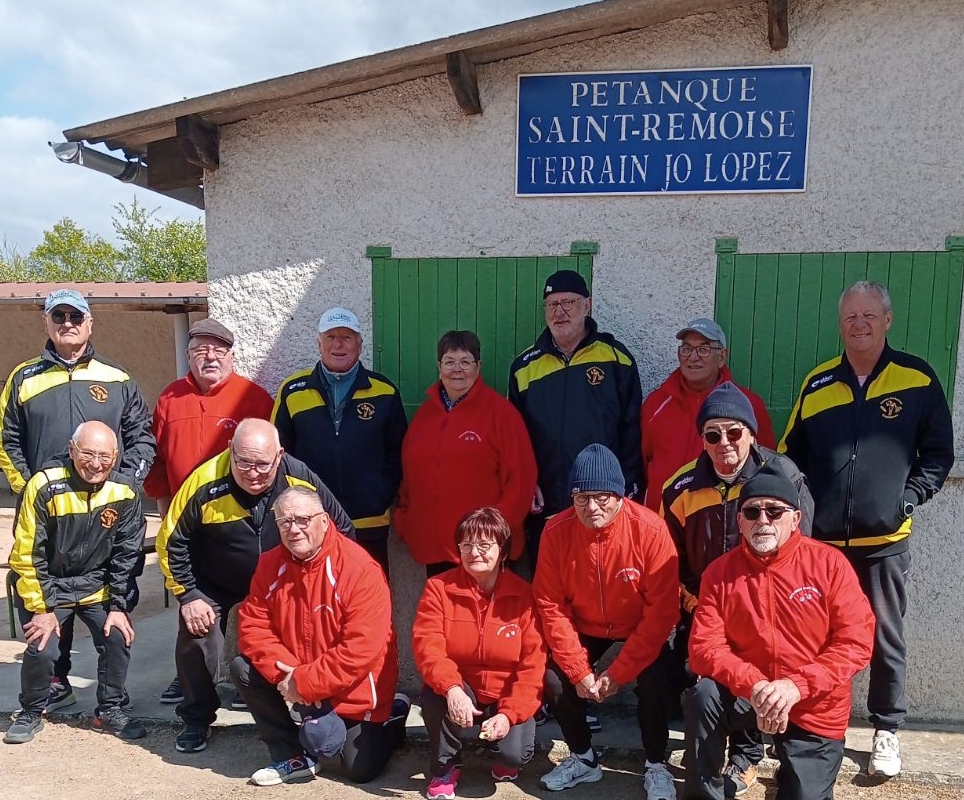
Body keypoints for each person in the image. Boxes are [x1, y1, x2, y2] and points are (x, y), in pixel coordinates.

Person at [780, 280, 953, 777]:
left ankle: (886, 731)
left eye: (869, 316)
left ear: (887, 320)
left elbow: (940, 454)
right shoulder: (816, 385)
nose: (859, 324)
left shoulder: (917, 379)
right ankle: (803, 722)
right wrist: (798, 513)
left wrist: (910, 497)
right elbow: (791, 456)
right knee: (812, 636)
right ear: (840, 324)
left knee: (884, 637)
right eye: (850, 317)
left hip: (885, 542)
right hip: (823, 544)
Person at [155, 418, 355, 754]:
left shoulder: (299, 477)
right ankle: (196, 718)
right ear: (230, 450)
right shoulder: (204, 481)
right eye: (243, 461)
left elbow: (342, 530)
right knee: (196, 635)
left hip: (281, 579)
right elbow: (169, 542)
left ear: (279, 456)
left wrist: (319, 581)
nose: (252, 472)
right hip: (214, 580)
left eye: (263, 464)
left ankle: (294, 709)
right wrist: (188, 594)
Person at [0, 287, 155, 712]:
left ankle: (110, 698)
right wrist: (32, 486)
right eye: (59, 316)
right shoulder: (24, 378)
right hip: (47, 510)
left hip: (102, 508)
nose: (67, 323)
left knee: (104, 588)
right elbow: (6, 439)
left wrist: (126, 482)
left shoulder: (117, 377)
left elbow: (142, 436)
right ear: (46, 323)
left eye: (76, 316)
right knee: (46, 590)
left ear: (90, 323)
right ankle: (55, 679)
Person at [684, 466, 875, 800]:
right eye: (752, 512)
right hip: (749, 693)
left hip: (812, 702)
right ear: (739, 521)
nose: (763, 520)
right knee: (704, 697)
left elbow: (855, 642)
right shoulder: (719, 573)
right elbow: (704, 647)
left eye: (774, 511)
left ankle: (790, 772)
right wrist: (755, 685)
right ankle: (704, 794)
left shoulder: (830, 565)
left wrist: (794, 686)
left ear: (795, 517)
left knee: (803, 794)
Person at [660, 382, 813, 797]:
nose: (724, 443)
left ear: (751, 433)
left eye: (733, 432)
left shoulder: (784, 476)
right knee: (704, 686)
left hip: (773, 615)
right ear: (703, 439)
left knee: (770, 681)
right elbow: (668, 559)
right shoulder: (679, 488)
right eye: (712, 434)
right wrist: (695, 601)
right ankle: (712, 771)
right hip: (706, 610)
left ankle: (754, 758)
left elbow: (804, 554)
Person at [231, 486, 408, 786]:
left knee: (357, 770)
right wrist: (288, 675)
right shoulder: (269, 564)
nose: (294, 529)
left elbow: (360, 650)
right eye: (284, 522)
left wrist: (304, 682)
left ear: (324, 521)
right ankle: (290, 754)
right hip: (296, 676)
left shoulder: (359, 569)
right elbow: (252, 625)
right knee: (242, 668)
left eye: (303, 519)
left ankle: (394, 716)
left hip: (354, 691)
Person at [533, 444, 679, 799]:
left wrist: (618, 674)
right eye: (582, 497)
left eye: (602, 497)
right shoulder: (555, 530)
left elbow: (661, 611)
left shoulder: (650, 529)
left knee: (657, 678)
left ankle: (656, 764)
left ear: (620, 494)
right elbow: (551, 606)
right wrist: (580, 671)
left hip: (639, 622)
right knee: (553, 677)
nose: (592, 508)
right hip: (586, 622)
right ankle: (583, 759)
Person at [144, 317, 273, 707]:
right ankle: (192, 682)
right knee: (193, 609)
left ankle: (253, 680)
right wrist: (168, 516)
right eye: (201, 348)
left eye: (218, 349)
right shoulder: (170, 398)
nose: (209, 356)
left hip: (242, 525)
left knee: (258, 611)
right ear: (188, 355)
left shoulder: (254, 398)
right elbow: (160, 465)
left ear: (232, 355)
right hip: (190, 526)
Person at [5, 422, 148, 744]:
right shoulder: (43, 485)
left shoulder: (125, 491)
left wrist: (118, 606)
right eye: (88, 454)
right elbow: (27, 551)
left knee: (117, 636)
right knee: (42, 648)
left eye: (105, 456)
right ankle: (31, 710)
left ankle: (110, 708)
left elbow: (128, 554)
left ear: (115, 456)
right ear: (72, 450)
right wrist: (41, 609)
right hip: (48, 585)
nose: (96, 464)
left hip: (95, 586)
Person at [509, 270, 643, 565]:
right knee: (550, 592)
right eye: (552, 304)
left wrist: (629, 489)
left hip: (602, 504)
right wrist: (527, 482)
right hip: (547, 506)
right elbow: (516, 440)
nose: (560, 312)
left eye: (568, 302)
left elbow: (632, 431)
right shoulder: (523, 367)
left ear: (587, 305)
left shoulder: (616, 359)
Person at [413, 507, 546, 798]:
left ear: (503, 549)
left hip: (505, 693)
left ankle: (499, 751)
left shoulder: (524, 594)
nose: (475, 552)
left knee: (516, 757)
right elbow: (428, 646)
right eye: (466, 544)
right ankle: (446, 766)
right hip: (464, 688)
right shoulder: (438, 588)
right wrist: (451, 688)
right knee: (434, 695)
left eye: (485, 545)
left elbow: (532, 666)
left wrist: (509, 715)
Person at [272, 306, 407, 577]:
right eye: (331, 337)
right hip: (310, 523)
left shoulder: (384, 391)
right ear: (319, 343)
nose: (338, 344)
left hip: (369, 522)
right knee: (313, 603)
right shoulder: (292, 391)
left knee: (370, 600)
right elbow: (278, 455)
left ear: (359, 344)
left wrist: (380, 494)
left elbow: (400, 452)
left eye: (346, 337)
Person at [395, 330, 537, 575]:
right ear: (439, 366)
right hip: (435, 550)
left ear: (478, 366)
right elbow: (409, 474)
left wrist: (494, 533)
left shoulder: (501, 414)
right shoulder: (424, 416)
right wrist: (405, 522)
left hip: (486, 552)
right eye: (449, 362)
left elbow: (522, 479)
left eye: (465, 362)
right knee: (444, 614)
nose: (457, 369)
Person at [641, 318, 775, 511]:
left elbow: (766, 467)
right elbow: (642, 462)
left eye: (703, 349)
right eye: (686, 349)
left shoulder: (749, 405)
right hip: (661, 523)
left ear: (722, 357)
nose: (693, 357)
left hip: (717, 523)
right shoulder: (656, 404)